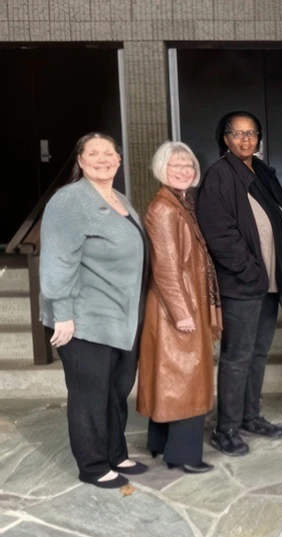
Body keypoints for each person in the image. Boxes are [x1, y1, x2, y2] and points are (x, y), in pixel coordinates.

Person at [40, 133, 148, 489]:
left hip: (119, 317)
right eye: (93, 153)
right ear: (81, 161)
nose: (102, 159)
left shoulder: (119, 199)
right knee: (89, 394)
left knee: (115, 390)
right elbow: (58, 260)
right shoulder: (70, 200)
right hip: (84, 318)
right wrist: (63, 313)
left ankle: (115, 453)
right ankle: (92, 464)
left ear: (118, 160)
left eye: (109, 153)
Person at [196, 110, 282, 456]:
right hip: (243, 285)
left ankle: (249, 416)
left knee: (258, 353)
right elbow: (219, 233)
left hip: (269, 283)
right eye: (237, 133)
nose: (245, 139)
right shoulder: (219, 176)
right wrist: (248, 270)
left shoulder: (262, 173)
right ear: (224, 138)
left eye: (251, 133)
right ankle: (225, 428)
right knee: (237, 357)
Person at [136, 142, 221, 474]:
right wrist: (182, 312)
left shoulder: (178, 202)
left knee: (170, 375)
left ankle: (160, 443)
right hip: (178, 305)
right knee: (188, 377)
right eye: (176, 166)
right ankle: (183, 454)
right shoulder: (166, 209)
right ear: (162, 169)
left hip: (178, 302)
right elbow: (168, 267)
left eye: (188, 165)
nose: (184, 170)